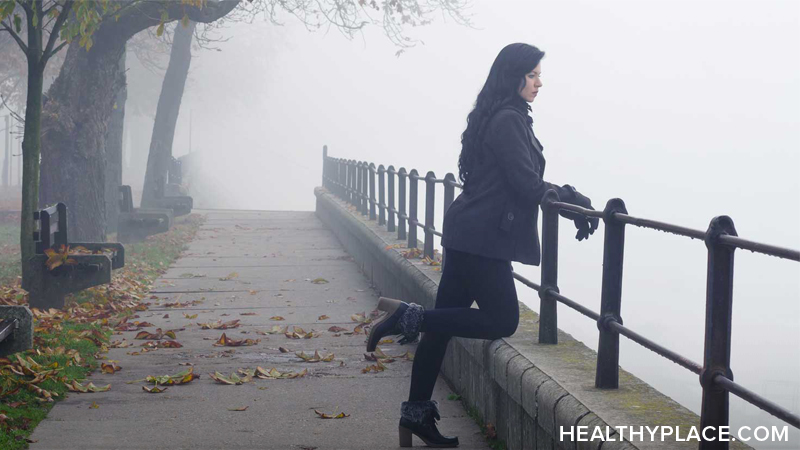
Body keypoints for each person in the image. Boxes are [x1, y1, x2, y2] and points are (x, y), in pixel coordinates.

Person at [366, 43, 599, 448]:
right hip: (481, 240)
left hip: (469, 232)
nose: (539, 82)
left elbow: (512, 180)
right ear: (513, 76)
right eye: (532, 74)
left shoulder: (499, 115)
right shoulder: (508, 119)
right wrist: (571, 200)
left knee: (442, 325)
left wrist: (567, 200)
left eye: (539, 74)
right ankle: (408, 317)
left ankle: (415, 416)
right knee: (502, 320)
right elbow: (525, 184)